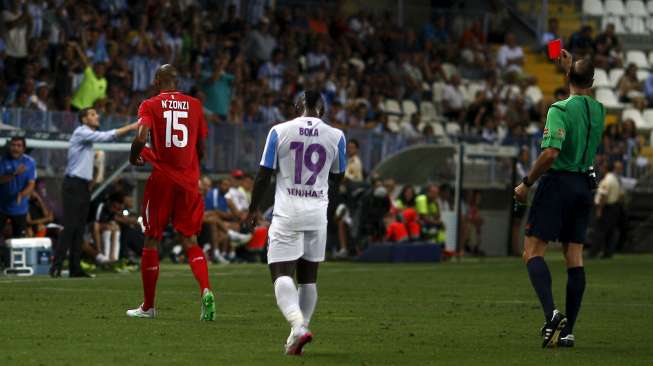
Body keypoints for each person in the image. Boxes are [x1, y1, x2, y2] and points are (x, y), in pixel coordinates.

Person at [514, 49, 605, 348]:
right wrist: (571, 68)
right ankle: (568, 332)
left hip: (559, 184)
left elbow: (551, 153)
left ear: (568, 78)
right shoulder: (599, 110)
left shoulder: (559, 109)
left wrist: (527, 183)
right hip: (584, 186)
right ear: (591, 81)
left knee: (532, 252)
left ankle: (552, 316)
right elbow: (583, 90)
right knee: (574, 257)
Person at [246, 90, 346, 355]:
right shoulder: (337, 136)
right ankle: (297, 334)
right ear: (322, 108)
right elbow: (338, 178)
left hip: (287, 212)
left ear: (297, 106)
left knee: (280, 273)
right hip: (317, 214)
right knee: (308, 279)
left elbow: (263, 175)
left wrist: (253, 208)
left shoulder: (279, 131)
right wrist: (325, 205)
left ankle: (298, 325)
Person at [127, 64, 215, 320]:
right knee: (191, 240)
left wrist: (134, 157)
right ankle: (205, 290)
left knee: (152, 238)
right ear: (178, 82)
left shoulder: (149, 104)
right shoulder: (196, 105)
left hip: (163, 178)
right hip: (189, 181)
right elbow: (201, 147)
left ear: (157, 80)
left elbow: (142, 136)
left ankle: (149, 307)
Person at [51, 110, 137, 278]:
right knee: (70, 226)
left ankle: (75, 268)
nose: (96, 116)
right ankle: (56, 266)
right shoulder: (81, 131)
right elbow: (106, 136)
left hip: (82, 185)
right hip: (73, 184)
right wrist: (133, 126)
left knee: (80, 227)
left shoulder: (87, 138)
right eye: (92, 114)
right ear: (84, 119)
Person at [590, 160, 623, 259]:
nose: (601, 169)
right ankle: (608, 252)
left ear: (605, 169)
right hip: (614, 207)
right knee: (610, 231)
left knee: (600, 231)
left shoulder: (607, 180)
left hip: (606, 208)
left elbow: (603, 196)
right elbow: (621, 195)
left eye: (602, 167)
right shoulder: (615, 179)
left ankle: (593, 252)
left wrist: (599, 209)